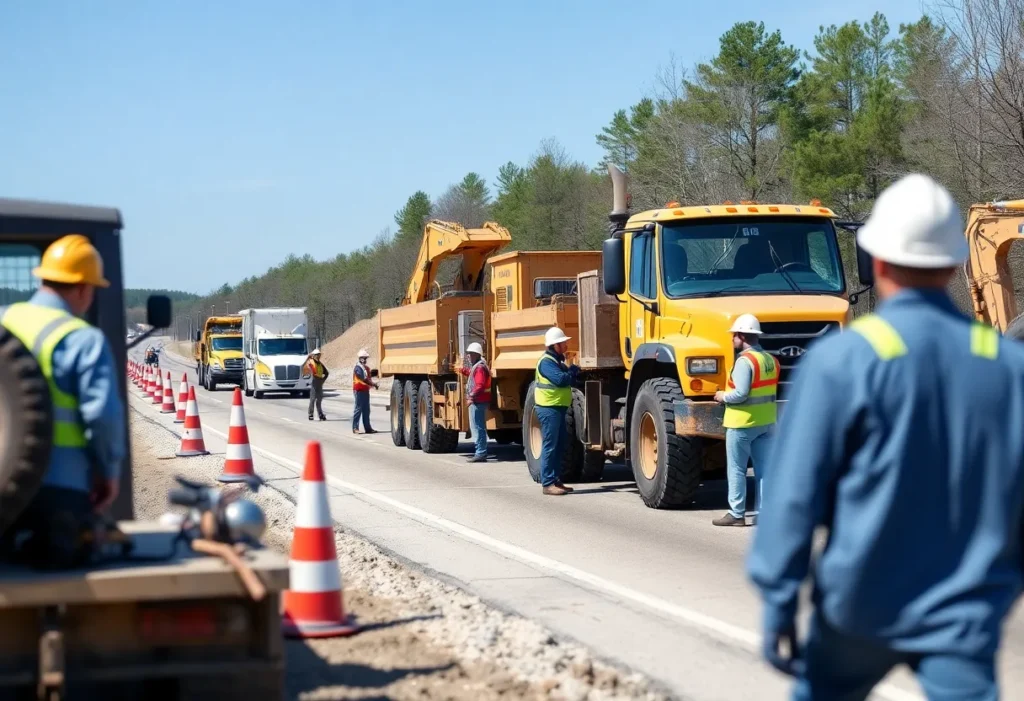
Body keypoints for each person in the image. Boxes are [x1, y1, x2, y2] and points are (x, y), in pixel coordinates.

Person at [747, 173, 1024, 700]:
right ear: (954, 264)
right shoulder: (1008, 365)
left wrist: (779, 599)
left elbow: (793, 497)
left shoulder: (844, 360)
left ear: (875, 260)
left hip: (859, 607)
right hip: (963, 613)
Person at [0, 234, 126, 566]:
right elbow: (103, 417)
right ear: (84, 288)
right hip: (59, 495)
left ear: (42, 278)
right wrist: (108, 472)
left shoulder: (3, 321)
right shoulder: (82, 339)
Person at [712, 313, 778, 527]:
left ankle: (737, 513)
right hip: (766, 422)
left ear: (741, 336)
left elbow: (740, 393)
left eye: (734, 336)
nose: (732, 339)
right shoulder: (770, 360)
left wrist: (722, 396)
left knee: (737, 469)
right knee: (764, 470)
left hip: (741, 424)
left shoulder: (744, 362)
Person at [535, 327, 579, 496]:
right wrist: (573, 372)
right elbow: (560, 380)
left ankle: (556, 480)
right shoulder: (546, 362)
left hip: (557, 407)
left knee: (560, 445)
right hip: (548, 408)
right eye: (563, 343)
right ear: (555, 345)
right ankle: (547, 483)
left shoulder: (556, 361)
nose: (566, 345)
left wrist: (570, 372)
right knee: (550, 446)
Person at [458, 342, 491, 463]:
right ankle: (480, 452)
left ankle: (480, 453)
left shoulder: (480, 368)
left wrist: (471, 396)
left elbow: (480, 385)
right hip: (479, 401)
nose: (468, 356)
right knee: (477, 426)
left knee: (477, 427)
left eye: (470, 354)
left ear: (477, 354)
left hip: (478, 401)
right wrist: (462, 370)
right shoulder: (478, 366)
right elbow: (473, 375)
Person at [352, 348, 379, 435]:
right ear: (360, 358)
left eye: (366, 358)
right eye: (364, 358)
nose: (365, 360)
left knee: (366, 410)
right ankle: (355, 428)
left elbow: (368, 377)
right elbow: (363, 379)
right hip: (359, 391)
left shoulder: (366, 368)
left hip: (365, 391)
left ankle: (368, 428)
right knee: (358, 409)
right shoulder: (357, 368)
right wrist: (373, 384)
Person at [306, 347, 328, 421]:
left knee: (319, 399)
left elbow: (326, 373)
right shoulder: (311, 362)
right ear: (314, 355)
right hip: (314, 383)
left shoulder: (320, 364)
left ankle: (320, 414)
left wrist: (322, 380)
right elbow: (310, 371)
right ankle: (310, 414)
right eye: (317, 355)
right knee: (312, 399)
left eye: (319, 355)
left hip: (319, 383)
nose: (318, 356)